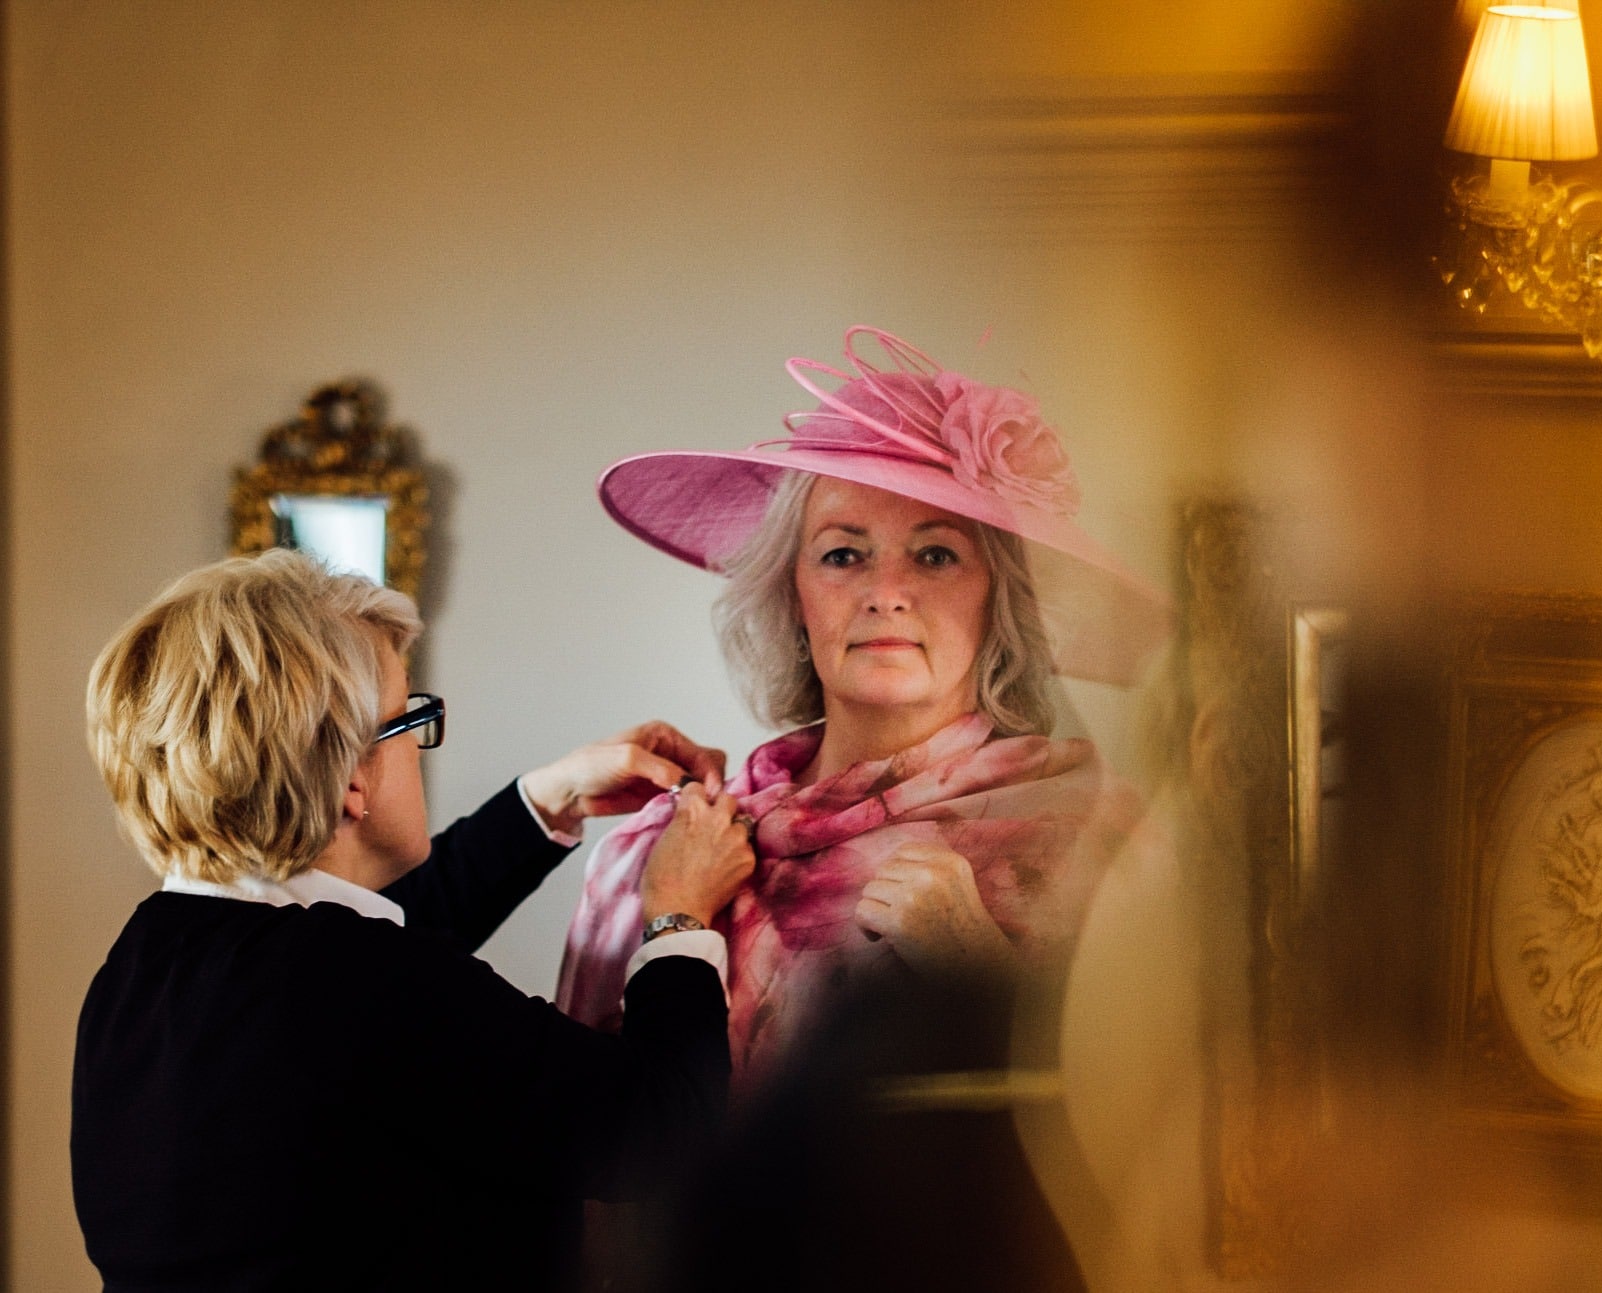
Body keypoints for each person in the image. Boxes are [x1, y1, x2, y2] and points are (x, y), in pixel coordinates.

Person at [554, 326, 1166, 1288]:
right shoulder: (654, 850)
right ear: (791, 595)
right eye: (842, 555)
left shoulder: (1107, 843)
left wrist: (977, 964)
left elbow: (1160, 1159)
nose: (885, 592)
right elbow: (581, 1174)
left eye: (934, 555)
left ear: (997, 600)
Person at [72, 549, 754, 1293]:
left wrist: (551, 798)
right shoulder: (365, 986)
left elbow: (384, 954)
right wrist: (679, 913)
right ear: (353, 778)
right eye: (411, 718)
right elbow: (662, 1129)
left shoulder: (150, 956)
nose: (422, 743)